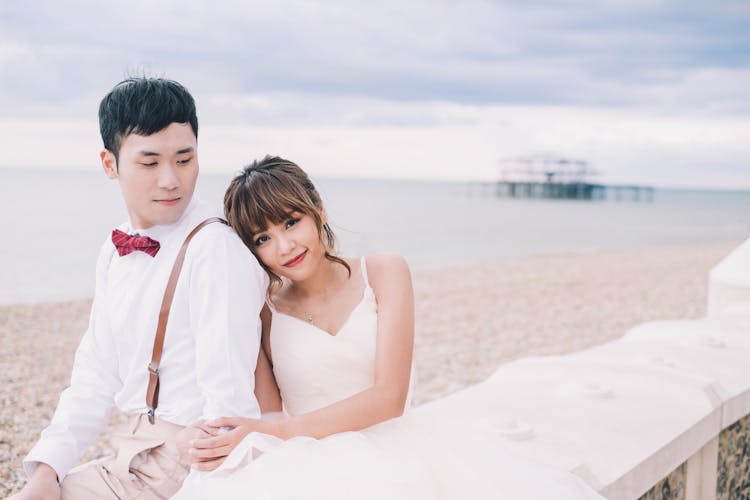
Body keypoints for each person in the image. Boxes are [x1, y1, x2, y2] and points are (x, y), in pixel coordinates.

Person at [172, 156, 604, 499]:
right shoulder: (263, 310)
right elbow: (264, 412)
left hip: (397, 449)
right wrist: (208, 436)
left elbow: (389, 397)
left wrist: (277, 430)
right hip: (306, 461)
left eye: (291, 222)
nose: (284, 246)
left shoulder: (384, 272)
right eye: (262, 238)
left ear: (318, 211)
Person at [12, 78, 267, 500]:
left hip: (185, 469)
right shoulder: (114, 250)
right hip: (130, 455)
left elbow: (230, 407)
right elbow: (95, 375)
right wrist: (47, 470)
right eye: (149, 163)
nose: (171, 180)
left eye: (184, 160)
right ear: (110, 164)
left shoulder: (213, 248)